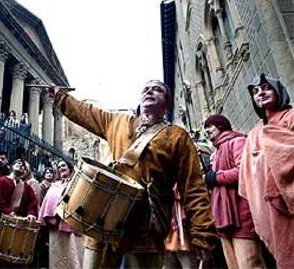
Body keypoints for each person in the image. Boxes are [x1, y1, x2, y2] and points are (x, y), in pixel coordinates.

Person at [52, 80, 216, 268]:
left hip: (146, 225)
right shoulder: (117, 121)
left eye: (158, 89)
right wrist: (58, 95)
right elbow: (84, 112)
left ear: (166, 102)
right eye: (146, 89)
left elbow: (193, 188)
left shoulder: (177, 136)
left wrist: (203, 235)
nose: (150, 91)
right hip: (105, 219)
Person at [239, 74, 294, 268]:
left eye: (266, 87)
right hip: (270, 211)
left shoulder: (291, 116)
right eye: (255, 91)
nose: (260, 92)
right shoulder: (253, 134)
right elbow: (247, 181)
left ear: (278, 91)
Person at [203, 114, 265, 269]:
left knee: (249, 263)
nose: (206, 131)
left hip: (241, 212)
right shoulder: (215, 153)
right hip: (223, 216)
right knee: (233, 266)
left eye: (209, 126)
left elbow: (244, 170)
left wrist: (216, 177)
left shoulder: (237, 142)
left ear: (221, 125)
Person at [38, 160, 84, 269]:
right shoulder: (55, 185)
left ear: (70, 168)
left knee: (74, 254)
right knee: (58, 255)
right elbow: (47, 203)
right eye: (58, 167)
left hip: (72, 223)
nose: (61, 168)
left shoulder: (77, 182)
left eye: (63, 165)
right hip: (56, 226)